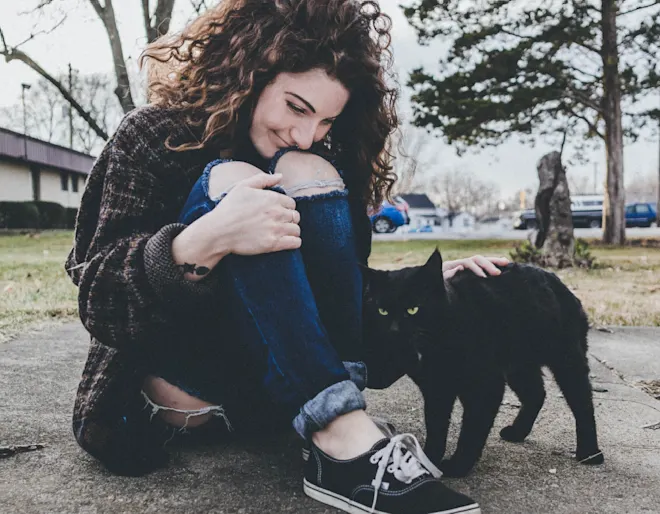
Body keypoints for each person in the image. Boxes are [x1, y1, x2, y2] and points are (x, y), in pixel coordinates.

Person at [65, 1, 507, 512]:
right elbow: (100, 300)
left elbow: (343, 308)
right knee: (235, 181)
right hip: (177, 393)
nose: (305, 133)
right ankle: (341, 435)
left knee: (303, 169)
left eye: (325, 121)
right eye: (297, 107)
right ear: (248, 73)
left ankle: (337, 425)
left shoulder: (324, 163)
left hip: (274, 402)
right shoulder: (154, 135)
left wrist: (424, 288)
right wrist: (207, 237)